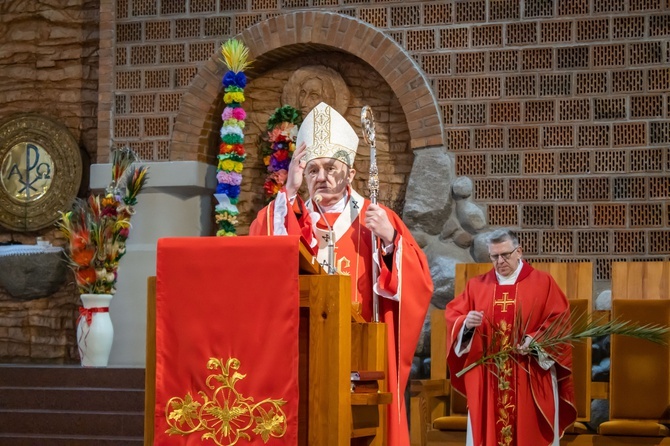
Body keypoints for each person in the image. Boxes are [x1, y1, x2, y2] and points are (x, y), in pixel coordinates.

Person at [250, 102, 433, 446]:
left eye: (331, 168)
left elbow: (419, 283)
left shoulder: (376, 218)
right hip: (305, 350)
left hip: (361, 352)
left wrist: (392, 242)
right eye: (313, 169)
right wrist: (287, 191)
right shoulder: (290, 214)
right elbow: (261, 254)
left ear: (350, 173)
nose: (322, 177)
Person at [445, 229, 577, 446]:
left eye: (505, 255)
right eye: (494, 256)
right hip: (489, 379)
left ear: (519, 252)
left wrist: (533, 342)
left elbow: (559, 323)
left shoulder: (543, 283)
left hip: (529, 374)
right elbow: (455, 317)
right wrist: (467, 325)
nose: (500, 261)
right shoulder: (477, 286)